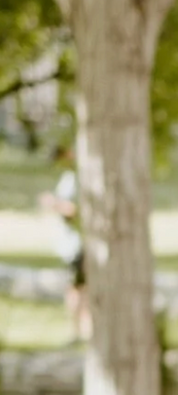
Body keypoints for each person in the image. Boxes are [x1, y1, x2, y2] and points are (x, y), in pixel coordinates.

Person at [39, 144, 88, 342]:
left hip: (79, 244)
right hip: (69, 244)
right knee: (77, 288)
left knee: (79, 289)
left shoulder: (79, 177)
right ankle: (78, 329)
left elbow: (75, 209)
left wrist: (53, 204)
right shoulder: (69, 177)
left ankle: (80, 331)